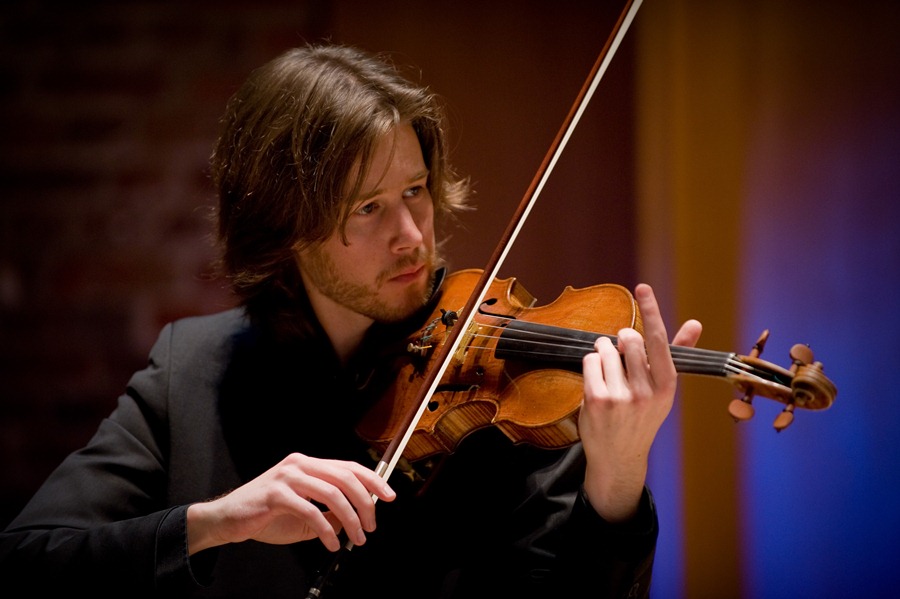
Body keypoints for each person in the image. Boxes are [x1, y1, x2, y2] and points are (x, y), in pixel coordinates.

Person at [0, 44, 702, 598]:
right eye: (368, 208)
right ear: (285, 225)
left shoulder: (506, 394)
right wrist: (216, 521)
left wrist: (616, 482)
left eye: (416, 190)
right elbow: (27, 558)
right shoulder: (193, 370)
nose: (412, 235)